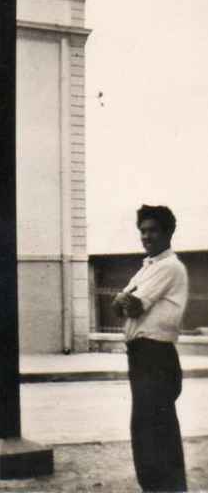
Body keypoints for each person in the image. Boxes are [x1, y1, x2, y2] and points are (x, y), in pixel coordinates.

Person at [111, 205, 189, 492]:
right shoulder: (148, 267)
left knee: (157, 431)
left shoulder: (169, 266)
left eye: (153, 230)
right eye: (143, 231)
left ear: (168, 232)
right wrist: (124, 301)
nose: (146, 236)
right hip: (142, 356)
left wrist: (126, 300)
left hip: (155, 356)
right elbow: (116, 307)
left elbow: (129, 304)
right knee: (145, 430)